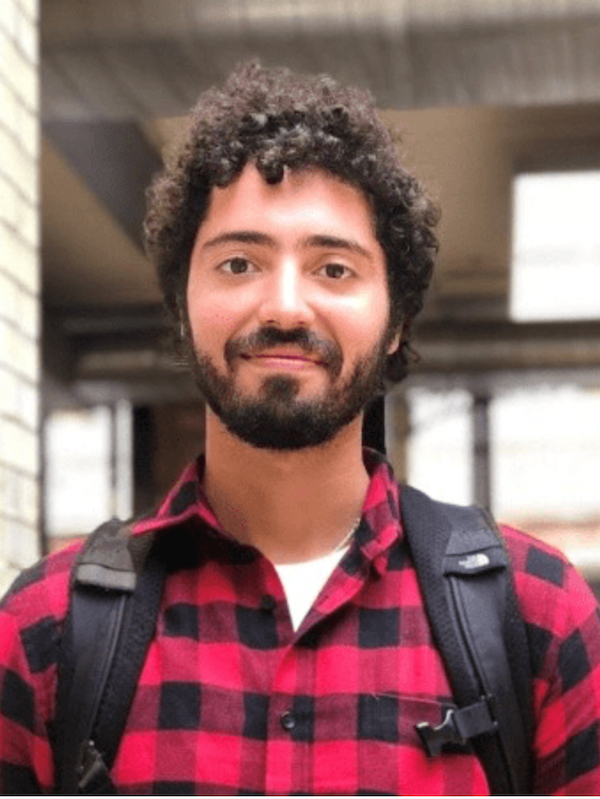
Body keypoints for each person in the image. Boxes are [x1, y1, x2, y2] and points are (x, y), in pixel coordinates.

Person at [1, 62, 600, 796]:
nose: (285, 306)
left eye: (334, 269)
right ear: (183, 307)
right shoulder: (45, 633)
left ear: (396, 321)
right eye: (240, 262)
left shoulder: (540, 618)